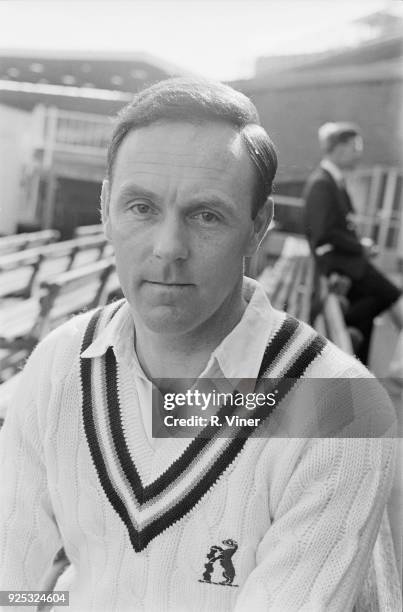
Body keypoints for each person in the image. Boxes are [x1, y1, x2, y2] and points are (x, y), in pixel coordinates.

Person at [0, 79, 398, 611]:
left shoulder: (340, 407)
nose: (169, 249)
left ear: (258, 227)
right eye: (141, 207)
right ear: (105, 209)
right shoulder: (58, 363)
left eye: (206, 215)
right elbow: (12, 582)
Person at [303, 122, 403, 364]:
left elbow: (336, 228)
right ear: (339, 147)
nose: (359, 152)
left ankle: (358, 360)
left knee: (369, 310)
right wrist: (360, 248)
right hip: (340, 264)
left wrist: (361, 245)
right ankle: (342, 331)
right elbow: (324, 233)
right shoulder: (322, 183)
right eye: (355, 146)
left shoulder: (332, 181)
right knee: (390, 293)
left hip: (347, 261)